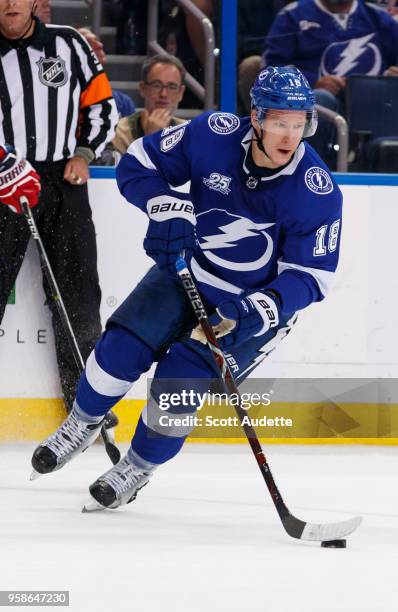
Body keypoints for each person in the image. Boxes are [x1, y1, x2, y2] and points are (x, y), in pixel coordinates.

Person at [31, 67, 342, 512]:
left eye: (299, 124)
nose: (290, 137)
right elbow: (139, 161)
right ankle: (82, 423)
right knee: (120, 348)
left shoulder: (317, 191)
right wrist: (164, 206)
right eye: (278, 122)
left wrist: (264, 306)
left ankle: (137, 467)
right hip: (188, 271)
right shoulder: (212, 134)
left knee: (179, 382)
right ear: (255, 117)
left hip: (246, 305)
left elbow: (313, 275)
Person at [0, 0, 118, 427]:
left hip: (63, 185)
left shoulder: (69, 44)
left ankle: (87, 409)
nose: (11, 3)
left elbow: (102, 107)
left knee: (78, 298)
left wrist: (84, 154)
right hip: (2, 185)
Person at [263, 0, 398, 163]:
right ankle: (308, 170)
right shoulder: (293, 15)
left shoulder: (379, 18)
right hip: (320, 105)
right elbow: (271, 69)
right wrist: (310, 83)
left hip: (373, 105)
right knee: (319, 100)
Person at [112, 54, 186, 155]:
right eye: (157, 85)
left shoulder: (189, 133)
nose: (163, 94)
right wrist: (150, 139)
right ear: (143, 88)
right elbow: (127, 170)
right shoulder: (118, 133)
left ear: (181, 93)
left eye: (171, 87)